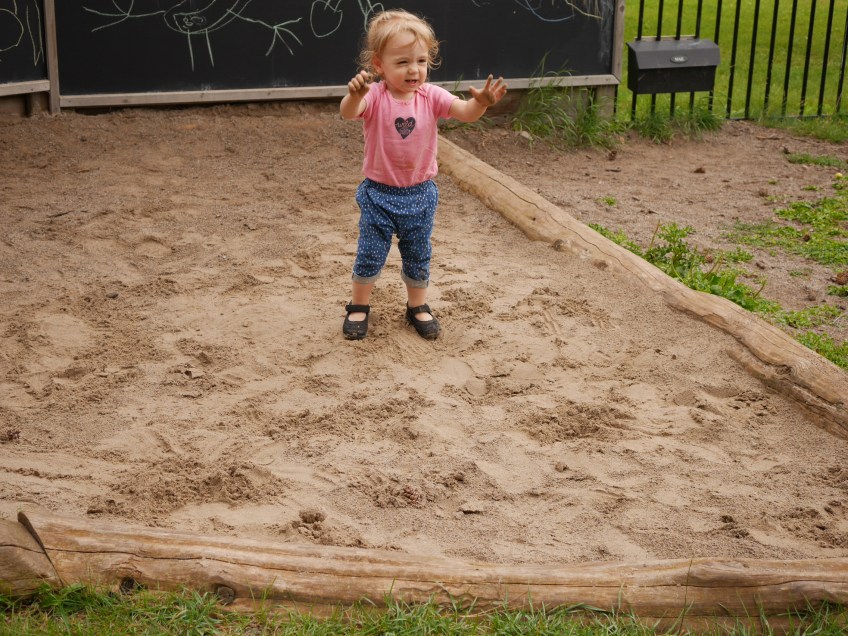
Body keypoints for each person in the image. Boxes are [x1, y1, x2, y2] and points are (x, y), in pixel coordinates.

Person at [339, 9, 507, 340]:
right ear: (379, 64)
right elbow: (349, 112)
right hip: (378, 194)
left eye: (420, 60)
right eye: (402, 62)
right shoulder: (375, 96)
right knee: (370, 252)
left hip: (420, 193)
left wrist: (482, 103)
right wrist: (355, 95)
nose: (413, 69)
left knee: (418, 254)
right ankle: (358, 306)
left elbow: (465, 112)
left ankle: (417, 305)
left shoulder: (431, 96)